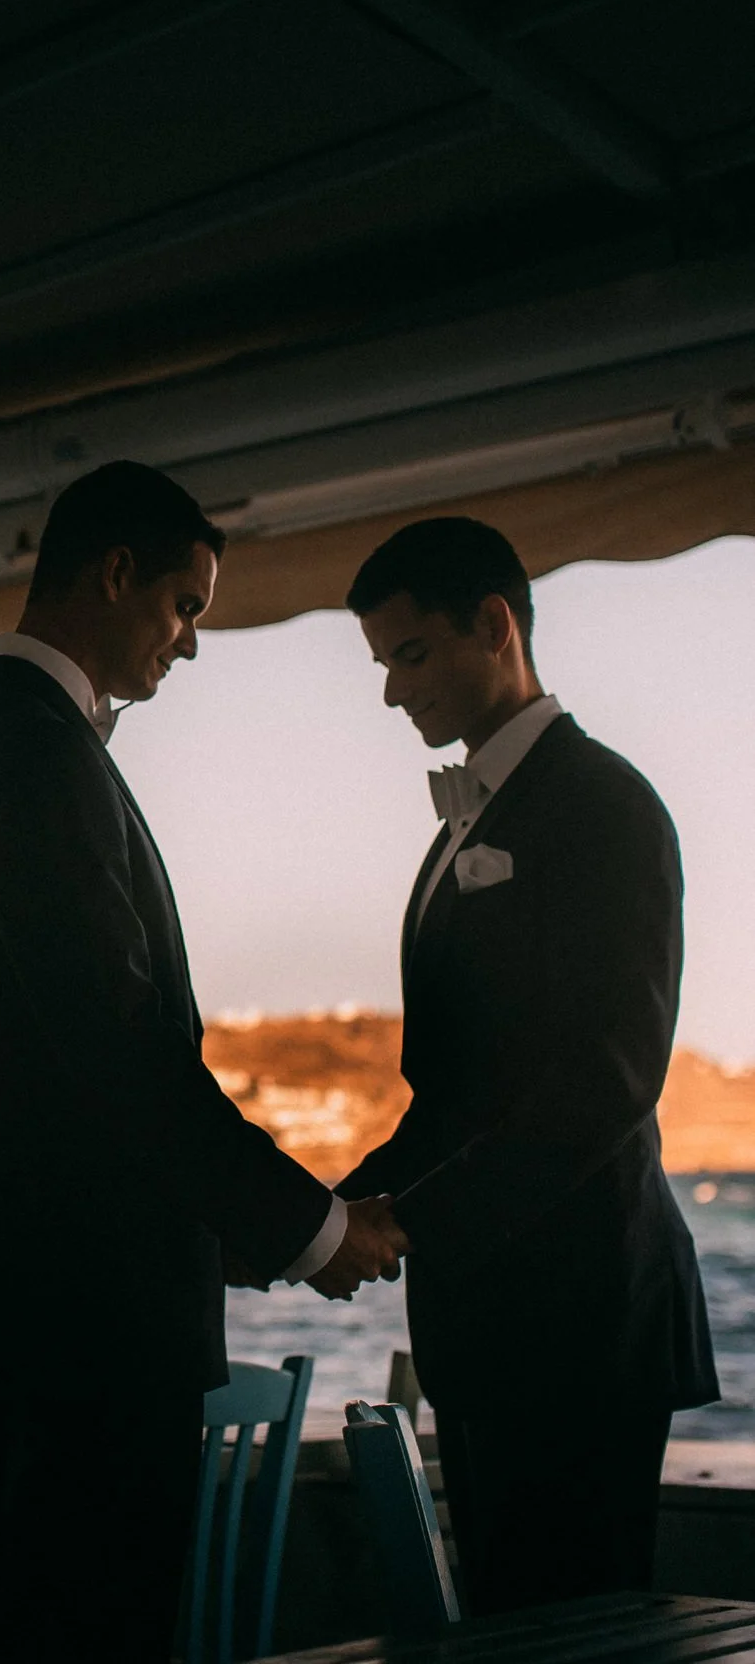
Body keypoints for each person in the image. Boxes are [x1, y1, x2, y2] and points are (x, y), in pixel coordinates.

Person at [0, 461, 406, 1662]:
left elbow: (64, 1067)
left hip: (55, 1306)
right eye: (184, 607)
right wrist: (314, 1231)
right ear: (115, 572)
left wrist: (226, 1224)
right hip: (91, 1322)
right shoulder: (29, 750)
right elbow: (119, 1054)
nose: (188, 645)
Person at [338, 515, 718, 1616]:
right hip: (492, 1317)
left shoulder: (604, 803)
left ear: (495, 625)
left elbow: (607, 1079)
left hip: (579, 1316)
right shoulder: (464, 826)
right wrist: (332, 1209)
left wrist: (411, 1224)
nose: (393, 693)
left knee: (574, 1634)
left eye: (410, 656)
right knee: (515, 1627)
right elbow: (449, 1089)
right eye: (382, 665)